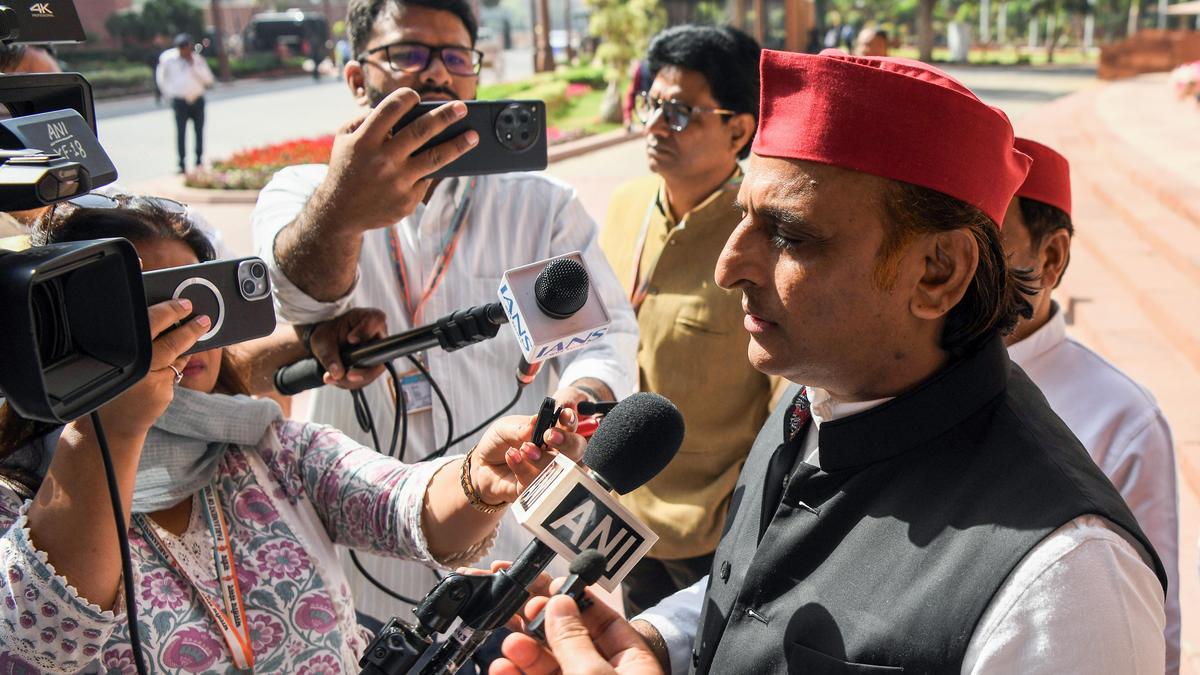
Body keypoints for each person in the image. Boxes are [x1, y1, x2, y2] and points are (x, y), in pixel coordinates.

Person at [492, 49, 1169, 675]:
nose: (729, 266)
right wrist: (654, 642)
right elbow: (754, 588)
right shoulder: (815, 394)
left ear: (937, 272)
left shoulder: (1068, 581)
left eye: (790, 235)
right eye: (743, 217)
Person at [0, 198, 584, 672]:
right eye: (147, 306)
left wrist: (480, 478)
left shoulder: (267, 449)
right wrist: (110, 428)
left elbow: (401, 505)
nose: (187, 326)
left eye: (198, 296)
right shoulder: (18, 497)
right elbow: (44, 639)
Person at [250, 0, 637, 623]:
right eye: (408, 53)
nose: (436, 73)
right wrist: (344, 207)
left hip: (503, 550)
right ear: (357, 78)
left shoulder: (542, 206)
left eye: (456, 57)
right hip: (356, 562)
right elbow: (299, 297)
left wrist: (579, 397)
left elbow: (601, 337)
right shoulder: (302, 193)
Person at [599, 25, 771, 616]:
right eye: (650, 104)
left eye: (677, 113)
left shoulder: (763, 234)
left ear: (739, 130)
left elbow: (788, 400)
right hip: (620, 512)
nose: (652, 125)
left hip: (715, 529)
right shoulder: (625, 206)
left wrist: (748, 515)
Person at [1001, 137, 1180, 674]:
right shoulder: (890, 373)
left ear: (1050, 258)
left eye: (985, 245)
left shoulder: (1121, 419)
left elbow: (1152, 621)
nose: (951, 269)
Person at [156, 33, 214, 174]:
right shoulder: (168, 59)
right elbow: (161, 79)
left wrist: (193, 65)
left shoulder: (197, 59)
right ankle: (181, 163)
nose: (185, 51)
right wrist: (169, 95)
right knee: (181, 132)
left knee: (199, 131)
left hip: (197, 99)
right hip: (180, 101)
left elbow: (208, 80)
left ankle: (199, 161)